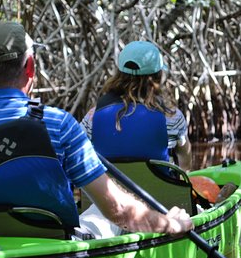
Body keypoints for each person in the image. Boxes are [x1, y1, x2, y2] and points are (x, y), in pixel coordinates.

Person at [0, 21, 192, 238]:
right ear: (30, 67)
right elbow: (119, 210)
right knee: (96, 212)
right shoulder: (59, 124)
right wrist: (170, 223)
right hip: (55, 243)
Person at [80, 40, 192, 169]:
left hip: (105, 188)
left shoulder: (93, 116)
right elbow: (185, 162)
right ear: (158, 76)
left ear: (119, 74)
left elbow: (76, 153)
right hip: (156, 189)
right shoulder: (172, 116)